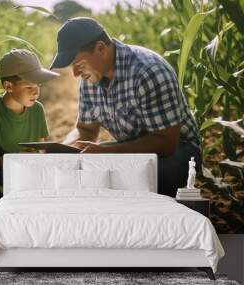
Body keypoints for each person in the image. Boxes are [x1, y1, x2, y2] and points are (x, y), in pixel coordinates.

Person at [50, 17, 201, 197]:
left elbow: (166, 142)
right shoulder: (90, 80)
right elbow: (85, 130)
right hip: (131, 150)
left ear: (100, 48)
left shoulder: (148, 71)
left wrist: (106, 152)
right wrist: (62, 150)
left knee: (122, 181)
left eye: (79, 64)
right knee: (85, 175)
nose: (75, 74)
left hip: (179, 152)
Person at [0, 49, 59, 201]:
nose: (36, 93)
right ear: (8, 86)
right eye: (29, 87)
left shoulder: (37, 109)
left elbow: (39, 148)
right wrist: (13, 160)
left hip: (28, 172)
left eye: (38, 86)